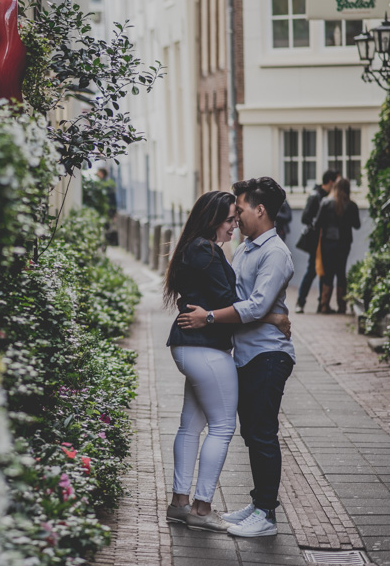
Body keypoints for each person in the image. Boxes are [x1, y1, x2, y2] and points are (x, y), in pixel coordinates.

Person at [163, 191, 290, 533]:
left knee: (190, 425)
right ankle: (202, 508)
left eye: (237, 217)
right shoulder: (205, 249)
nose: (235, 224)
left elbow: (223, 302)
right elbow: (233, 302)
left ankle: (179, 503)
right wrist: (274, 319)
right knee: (222, 427)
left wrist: (212, 314)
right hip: (206, 348)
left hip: (188, 347)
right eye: (231, 219)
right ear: (213, 220)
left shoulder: (195, 247)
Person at [313, 177, 360, 314]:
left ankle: (324, 305)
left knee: (328, 273)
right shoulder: (351, 205)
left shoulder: (326, 202)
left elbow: (317, 223)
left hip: (328, 241)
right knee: (341, 272)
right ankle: (342, 306)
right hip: (344, 243)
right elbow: (357, 225)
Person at [295, 170, 339, 313]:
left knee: (323, 272)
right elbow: (305, 218)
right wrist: (318, 224)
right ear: (331, 182)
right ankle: (300, 303)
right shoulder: (316, 196)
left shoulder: (328, 197)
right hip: (316, 242)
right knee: (312, 271)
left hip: (324, 241)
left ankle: (322, 304)